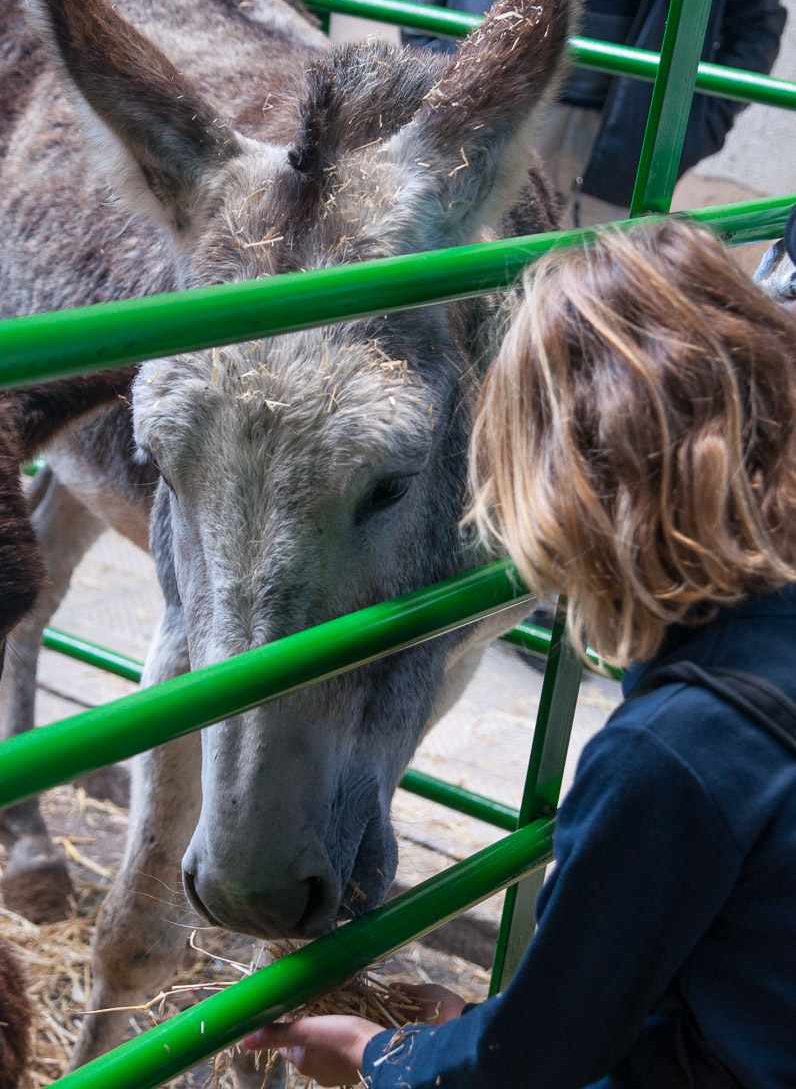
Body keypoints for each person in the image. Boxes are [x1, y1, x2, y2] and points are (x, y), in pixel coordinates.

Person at [243, 219, 796, 1087]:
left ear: (569, 486)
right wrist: (471, 1031)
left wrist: (383, 1058)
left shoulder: (670, 756)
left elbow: (534, 1063)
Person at [396, 0, 786, 226]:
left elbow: (755, 26)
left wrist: (692, 132)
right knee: (469, 282)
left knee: (584, 295)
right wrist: (445, 83)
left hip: (628, 139)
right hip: (496, 117)